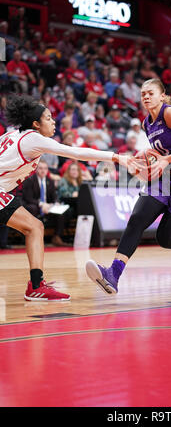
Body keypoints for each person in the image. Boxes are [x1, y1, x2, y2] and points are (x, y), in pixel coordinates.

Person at [0, 94, 134, 301]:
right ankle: (36, 286)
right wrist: (115, 157)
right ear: (35, 124)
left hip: (3, 191)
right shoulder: (34, 139)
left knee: (34, 227)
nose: (53, 121)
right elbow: (75, 153)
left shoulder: (11, 135)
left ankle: (36, 285)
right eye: (48, 118)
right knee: (35, 227)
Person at [85, 78, 171, 296]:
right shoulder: (146, 123)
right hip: (164, 178)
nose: (146, 97)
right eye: (143, 94)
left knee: (165, 238)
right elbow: (158, 155)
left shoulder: (170, 113)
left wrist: (167, 160)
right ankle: (113, 274)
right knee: (137, 219)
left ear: (162, 95)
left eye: (151, 93)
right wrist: (141, 162)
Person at [21, 159, 70, 247]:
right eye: (40, 168)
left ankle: (57, 237)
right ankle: (33, 237)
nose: (43, 170)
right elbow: (28, 198)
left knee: (61, 212)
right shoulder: (30, 180)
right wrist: (42, 204)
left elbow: (54, 196)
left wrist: (56, 203)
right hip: (34, 205)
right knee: (32, 208)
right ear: (36, 169)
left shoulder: (50, 181)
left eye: (45, 168)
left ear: (47, 170)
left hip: (47, 207)